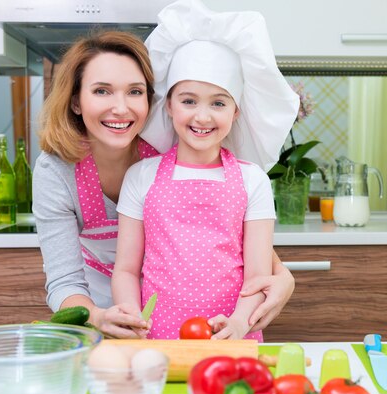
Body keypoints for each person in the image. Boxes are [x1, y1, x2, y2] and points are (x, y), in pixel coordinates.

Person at [33, 30, 295, 338]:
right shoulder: (58, 170)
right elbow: (66, 280)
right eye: (102, 91)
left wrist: (283, 277)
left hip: (197, 317)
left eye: (134, 91)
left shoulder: (168, 146)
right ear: (76, 101)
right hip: (106, 310)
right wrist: (100, 316)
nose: (120, 108)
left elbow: (232, 238)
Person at [112, 0, 300, 341]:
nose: (202, 116)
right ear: (167, 105)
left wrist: (241, 322)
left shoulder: (252, 179)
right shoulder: (141, 176)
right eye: (188, 100)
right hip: (154, 337)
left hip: (232, 336)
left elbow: (258, 274)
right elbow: (126, 268)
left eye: (218, 102)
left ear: (236, 110)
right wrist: (130, 317)